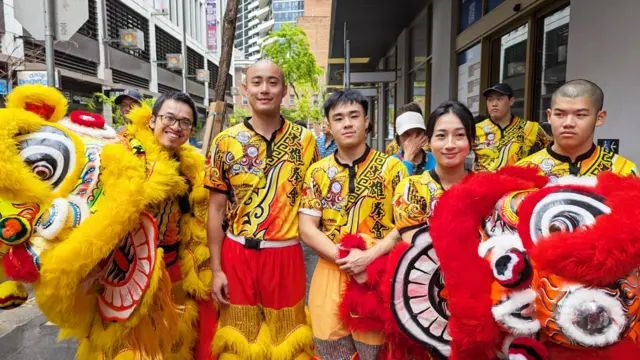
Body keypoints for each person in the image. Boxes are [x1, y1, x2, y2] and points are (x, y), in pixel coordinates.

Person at [205, 59, 318, 359]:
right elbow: (215, 210)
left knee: (289, 339)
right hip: (237, 254)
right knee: (239, 340)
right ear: (244, 89)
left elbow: (316, 205)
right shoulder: (224, 142)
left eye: (273, 82)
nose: (264, 89)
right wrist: (216, 270)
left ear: (284, 91)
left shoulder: (306, 141)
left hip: (286, 254)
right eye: (257, 82)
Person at [299, 90, 407, 360]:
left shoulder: (393, 168)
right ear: (329, 126)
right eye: (338, 118)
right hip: (330, 270)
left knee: (377, 351)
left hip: (378, 274)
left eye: (354, 116)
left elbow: (406, 224)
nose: (347, 123)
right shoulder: (317, 172)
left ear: (367, 121)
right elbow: (307, 228)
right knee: (331, 350)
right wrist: (347, 260)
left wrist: (369, 257)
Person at [121, 91, 214, 359]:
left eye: (184, 122)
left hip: (174, 267)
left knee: (175, 339)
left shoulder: (192, 165)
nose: (176, 127)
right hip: (129, 271)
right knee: (131, 344)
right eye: (169, 118)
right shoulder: (127, 154)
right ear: (152, 120)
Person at [517, 79, 638, 181]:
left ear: (599, 118)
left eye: (580, 115)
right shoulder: (522, 172)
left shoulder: (623, 171)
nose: (568, 123)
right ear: (549, 116)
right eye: (559, 114)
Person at [394, 100, 476, 243]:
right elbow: (418, 248)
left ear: (471, 140)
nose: (450, 145)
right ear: (430, 141)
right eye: (441, 136)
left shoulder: (486, 186)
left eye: (459, 135)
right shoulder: (411, 188)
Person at [474, 83, 550, 171]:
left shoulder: (530, 128)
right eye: (490, 100)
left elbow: (554, 151)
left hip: (516, 183)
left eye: (499, 99)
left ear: (511, 101)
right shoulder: (476, 129)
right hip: (481, 183)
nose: (494, 104)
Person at [392, 110, 436, 175]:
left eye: (417, 134)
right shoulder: (391, 162)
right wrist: (408, 158)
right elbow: (399, 184)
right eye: (406, 134)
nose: (412, 141)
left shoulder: (435, 159)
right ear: (398, 139)